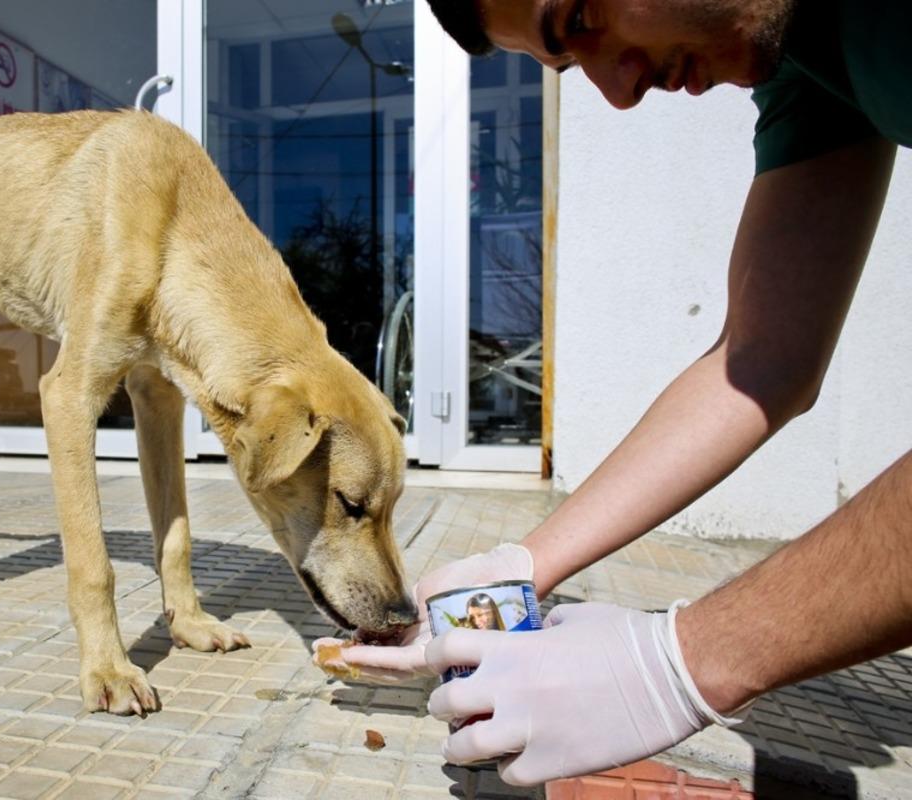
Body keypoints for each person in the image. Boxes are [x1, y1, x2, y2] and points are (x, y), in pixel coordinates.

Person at [314, 0, 912, 786]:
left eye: (583, 13)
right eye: (568, 65)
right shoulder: (803, 56)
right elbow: (761, 360)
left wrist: (683, 659)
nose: (619, 93)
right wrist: (524, 562)